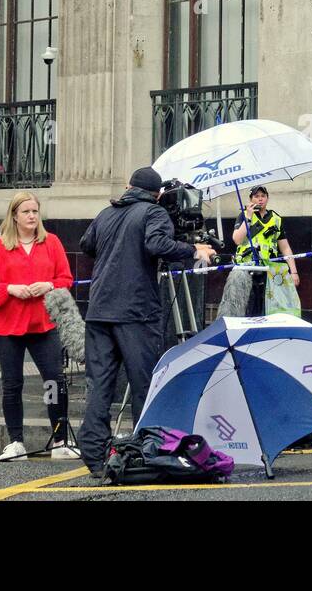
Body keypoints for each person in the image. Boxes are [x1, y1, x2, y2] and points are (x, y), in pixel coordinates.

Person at [78, 167, 215, 473]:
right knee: (143, 384)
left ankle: (94, 454)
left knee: (99, 385)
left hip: (99, 310)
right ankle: (145, 450)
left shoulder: (105, 213)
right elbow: (158, 246)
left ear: (129, 187)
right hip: (136, 312)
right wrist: (193, 248)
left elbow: (87, 245)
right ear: (158, 195)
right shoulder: (153, 213)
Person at [0, 192, 78, 461]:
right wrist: (9, 288)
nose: (32, 216)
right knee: (12, 384)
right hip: (7, 326)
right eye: (26, 212)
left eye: (35, 211)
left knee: (54, 380)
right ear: (14, 216)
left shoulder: (52, 242)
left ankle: (59, 440)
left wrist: (49, 285)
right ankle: (15, 442)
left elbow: (66, 278)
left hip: (43, 324)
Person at [231, 186, 301, 316]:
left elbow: (285, 247)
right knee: (249, 309)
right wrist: (249, 217)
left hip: (270, 271)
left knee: (270, 309)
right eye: (256, 196)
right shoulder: (244, 215)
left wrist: (294, 272)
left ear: (267, 198)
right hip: (247, 270)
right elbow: (237, 239)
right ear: (251, 199)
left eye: (263, 196)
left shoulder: (276, 218)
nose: (260, 199)